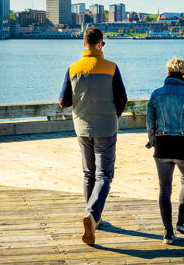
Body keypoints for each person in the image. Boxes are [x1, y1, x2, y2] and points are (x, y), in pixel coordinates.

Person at [58, 27, 127, 245]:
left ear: (84, 44)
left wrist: (81, 99)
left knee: (88, 173)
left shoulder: (73, 69)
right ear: (100, 44)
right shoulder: (112, 68)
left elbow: (63, 101)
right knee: (104, 175)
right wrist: (113, 115)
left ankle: (93, 217)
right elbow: (122, 99)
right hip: (106, 127)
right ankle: (92, 214)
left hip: (83, 128)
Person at [146, 56, 184, 245]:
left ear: (167, 73)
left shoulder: (156, 94)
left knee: (164, 189)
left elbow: (150, 124)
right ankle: (182, 222)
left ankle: (168, 233)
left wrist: (151, 141)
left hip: (162, 144)